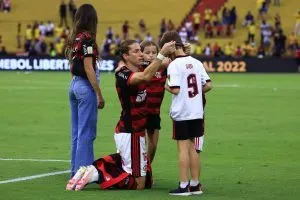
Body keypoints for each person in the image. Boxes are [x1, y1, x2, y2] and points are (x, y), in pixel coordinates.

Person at [66, 39, 175, 191]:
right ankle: (96, 173)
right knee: (139, 185)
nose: (141, 54)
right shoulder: (122, 73)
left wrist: (177, 54)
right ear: (125, 55)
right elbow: (145, 77)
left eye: (140, 50)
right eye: (136, 51)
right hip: (130, 131)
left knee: (147, 180)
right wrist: (161, 53)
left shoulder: (141, 66)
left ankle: (99, 168)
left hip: (135, 131)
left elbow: (162, 64)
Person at [161, 31, 213, 196]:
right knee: (193, 148)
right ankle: (195, 184)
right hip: (196, 111)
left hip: (182, 113)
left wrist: (166, 86)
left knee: (183, 148)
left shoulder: (174, 65)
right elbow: (209, 85)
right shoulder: (196, 62)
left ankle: (184, 186)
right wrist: (194, 96)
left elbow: (175, 89)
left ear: (171, 46)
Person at [65, 4, 105, 177]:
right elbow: (89, 67)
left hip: (74, 85)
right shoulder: (88, 38)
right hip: (84, 87)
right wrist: (98, 93)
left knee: (77, 133)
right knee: (86, 132)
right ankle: (84, 173)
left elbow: (72, 65)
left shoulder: (75, 37)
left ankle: (75, 171)